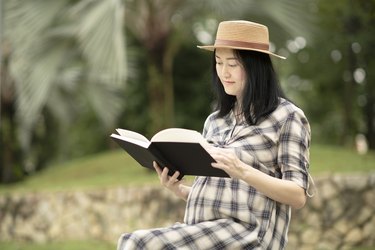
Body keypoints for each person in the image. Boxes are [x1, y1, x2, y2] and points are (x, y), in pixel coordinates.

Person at [117, 20, 314, 250]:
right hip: (205, 228)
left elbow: (297, 195)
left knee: (143, 244)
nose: (224, 72)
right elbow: (221, 197)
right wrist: (179, 189)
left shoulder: (287, 117)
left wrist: (242, 170)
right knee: (130, 241)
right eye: (219, 63)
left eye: (233, 64)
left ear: (256, 67)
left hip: (249, 234)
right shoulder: (216, 120)